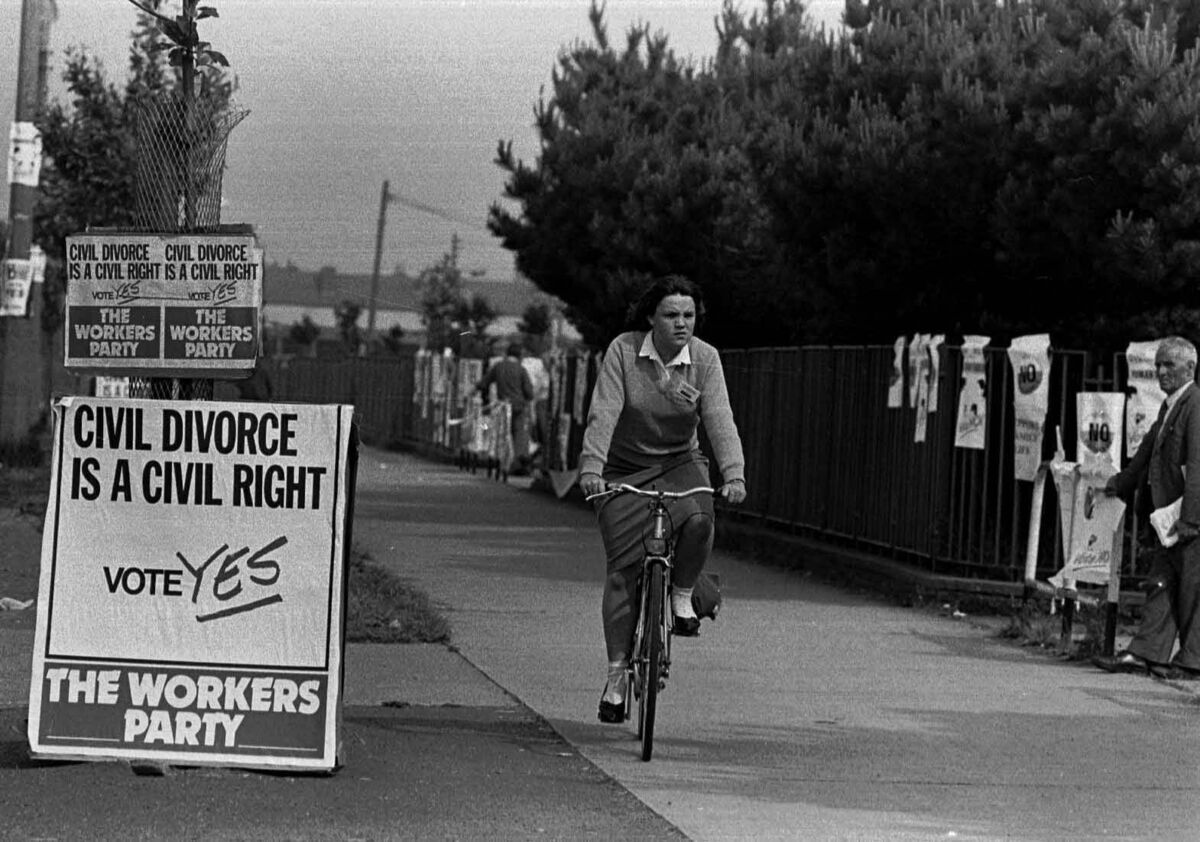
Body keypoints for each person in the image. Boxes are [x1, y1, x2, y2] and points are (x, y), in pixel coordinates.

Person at [578, 274, 747, 724]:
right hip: (623, 468)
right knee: (621, 573)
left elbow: (719, 418)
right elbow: (604, 411)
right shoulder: (623, 351)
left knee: (700, 519)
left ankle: (683, 594)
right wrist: (592, 469)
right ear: (650, 316)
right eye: (671, 315)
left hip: (679, 462)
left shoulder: (706, 360)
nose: (681, 324)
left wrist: (733, 474)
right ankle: (616, 677)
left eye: (689, 315)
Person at [1094, 336, 1200, 680]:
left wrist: (1191, 519)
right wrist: (1120, 482)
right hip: (1168, 518)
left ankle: (1192, 661)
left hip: (1186, 517)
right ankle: (1146, 653)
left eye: (1169, 364)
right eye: (1158, 364)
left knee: (1192, 590)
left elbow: (1198, 463)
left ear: (1190, 368)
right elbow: (1147, 451)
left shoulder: (1195, 404)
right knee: (1161, 584)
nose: (1160, 371)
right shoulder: (1171, 405)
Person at [477, 342, 536, 474]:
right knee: (519, 434)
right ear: (519, 355)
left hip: (502, 407)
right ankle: (517, 463)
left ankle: (500, 459)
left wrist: (474, 389)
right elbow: (529, 393)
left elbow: (484, 382)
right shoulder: (521, 369)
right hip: (519, 407)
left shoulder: (498, 366)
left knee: (502, 434)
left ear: (507, 353)